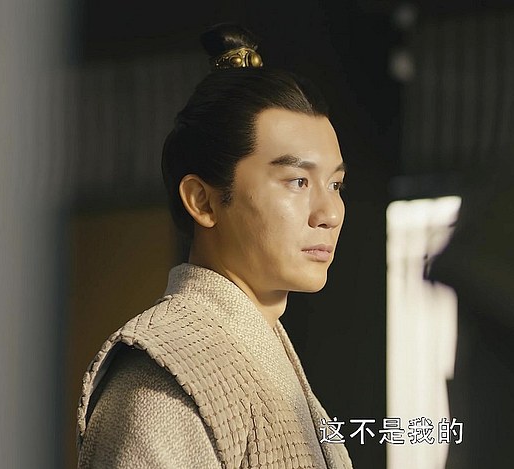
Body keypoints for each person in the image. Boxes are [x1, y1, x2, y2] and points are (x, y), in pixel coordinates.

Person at [76, 24, 353, 469]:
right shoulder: (162, 378)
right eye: (298, 181)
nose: (330, 213)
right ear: (203, 201)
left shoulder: (266, 353)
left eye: (335, 184)